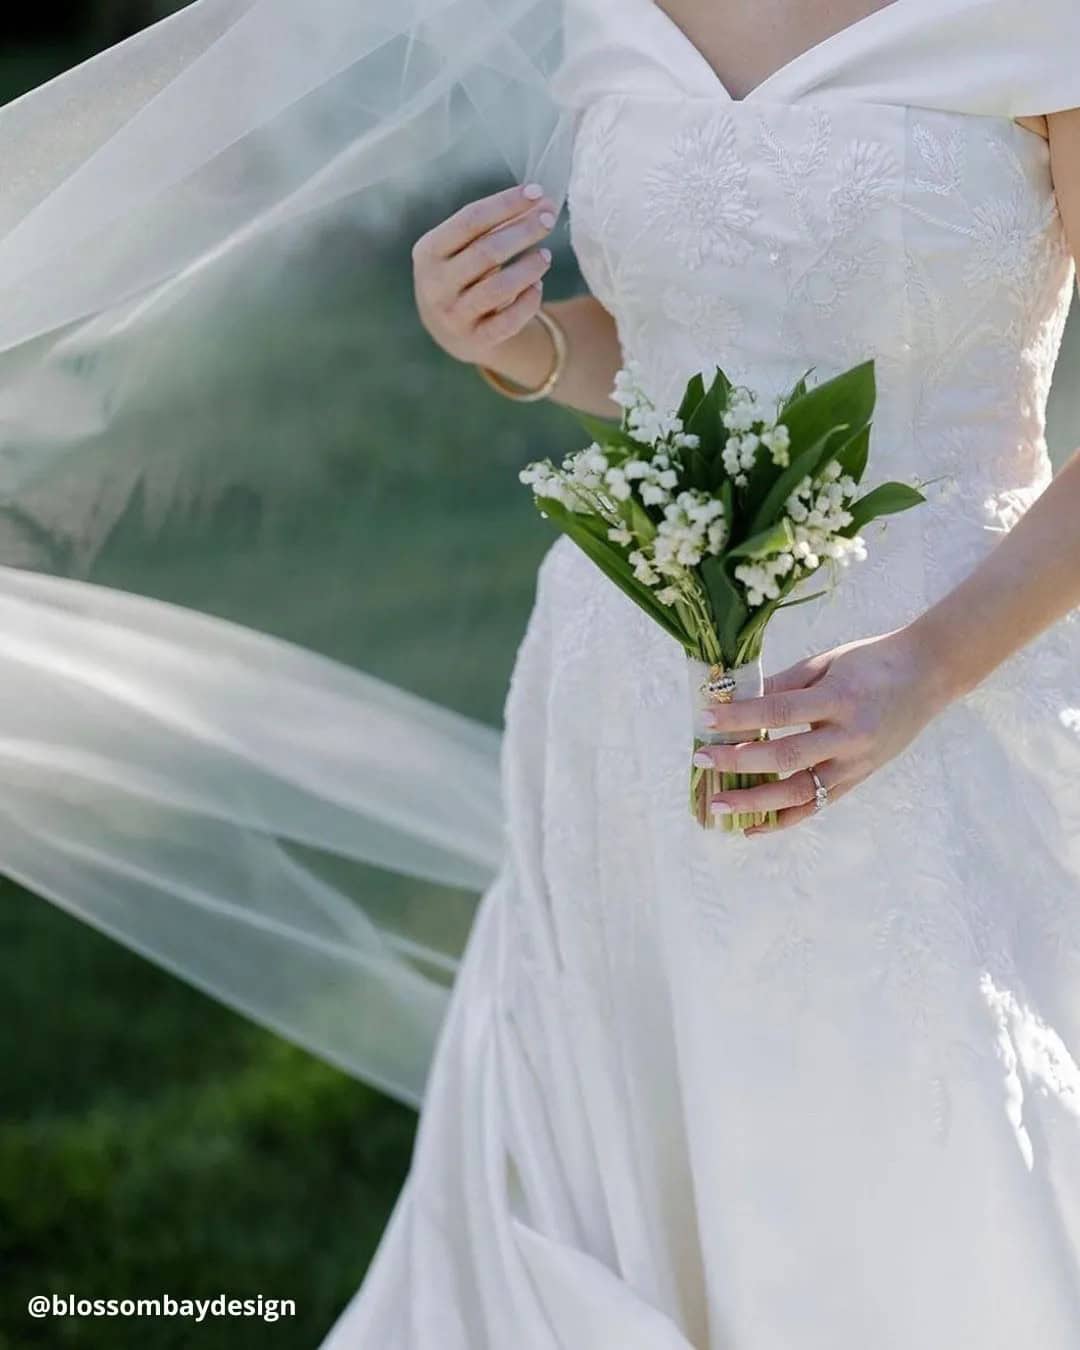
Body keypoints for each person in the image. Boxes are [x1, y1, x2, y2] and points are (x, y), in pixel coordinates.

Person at [318, 2, 1080, 1346]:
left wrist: (928, 664)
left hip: (953, 712)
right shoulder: (606, 13)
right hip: (630, 726)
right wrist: (516, 341)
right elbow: (677, 349)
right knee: (648, 1169)